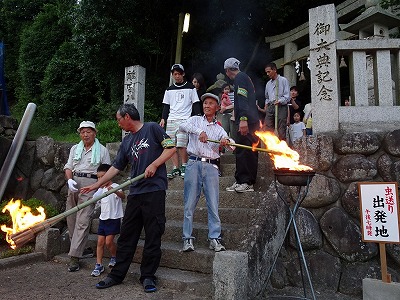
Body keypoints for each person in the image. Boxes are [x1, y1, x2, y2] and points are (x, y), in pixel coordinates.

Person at [81, 103, 175, 293]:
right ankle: (116, 275)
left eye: (118, 120)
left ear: (127, 117)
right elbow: (116, 168)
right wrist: (97, 184)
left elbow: (171, 148)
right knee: (126, 235)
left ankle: (148, 276)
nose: (118, 124)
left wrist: (155, 165)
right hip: (136, 192)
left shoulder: (152, 128)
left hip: (154, 190)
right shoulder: (127, 142)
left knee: (153, 234)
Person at [179, 93, 234, 252]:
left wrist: (227, 142)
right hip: (193, 163)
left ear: (217, 108)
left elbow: (232, 146)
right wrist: (198, 132)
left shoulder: (219, 128)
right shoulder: (195, 120)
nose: (207, 106)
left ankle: (214, 238)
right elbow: (182, 126)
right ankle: (187, 238)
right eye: (205, 103)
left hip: (211, 167)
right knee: (189, 203)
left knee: (213, 204)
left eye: (210, 103)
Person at [64, 121, 111, 272]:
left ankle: (74, 258)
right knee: (70, 217)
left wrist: (99, 187)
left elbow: (107, 171)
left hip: (91, 184)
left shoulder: (102, 150)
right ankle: (78, 248)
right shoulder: (75, 149)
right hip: (74, 183)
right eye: (82, 132)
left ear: (94, 133)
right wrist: (69, 179)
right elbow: (68, 167)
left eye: (88, 131)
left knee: (83, 220)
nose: (85, 134)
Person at [224, 57, 259, 193]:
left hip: (248, 121)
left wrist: (243, 119)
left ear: (227, 71)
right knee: (240, 149)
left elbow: (243, 98)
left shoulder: (240, 78)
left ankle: (247, 181)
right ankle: (240, 179)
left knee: (246, 150)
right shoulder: (244, 77)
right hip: (246, 120)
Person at [160, 64, 201, 179]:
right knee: (171, 145)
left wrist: (197, 117)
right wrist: (163, 118)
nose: (177, 76)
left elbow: (196, 103)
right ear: (172, 75)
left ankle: (184, 165)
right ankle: (175, 168)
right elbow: (166, 106)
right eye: (175, 74)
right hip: (171, 119)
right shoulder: (169, 90)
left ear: (183, 74)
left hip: (185, 119)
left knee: (182, 144)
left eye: (179, 73)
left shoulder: (190, 88)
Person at [90, 163, 125, 277]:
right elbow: (94, 198)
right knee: (100, 242)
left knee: (109, 242)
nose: (100, 179)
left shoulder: (115, 185)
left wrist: (114, 191)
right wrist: (98, 188)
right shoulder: (101, 190)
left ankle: (114, 256)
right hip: (103, 218)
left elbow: (122, 196)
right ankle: (98, 264)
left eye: (103, 176)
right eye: (98, 177)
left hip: (113, 218)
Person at [263, 62, 290, 141]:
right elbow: (267, 97)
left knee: (281, 127)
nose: (267, 74)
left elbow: (287, 96)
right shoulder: (268, 84)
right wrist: (266, 105)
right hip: (271, 106)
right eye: (266, 72)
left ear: (274, 70)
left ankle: (282, 149)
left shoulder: (283, 80)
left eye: (269, 71)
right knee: (268, 127)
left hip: (281, 106)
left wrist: (280, 101)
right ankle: (271, 148)